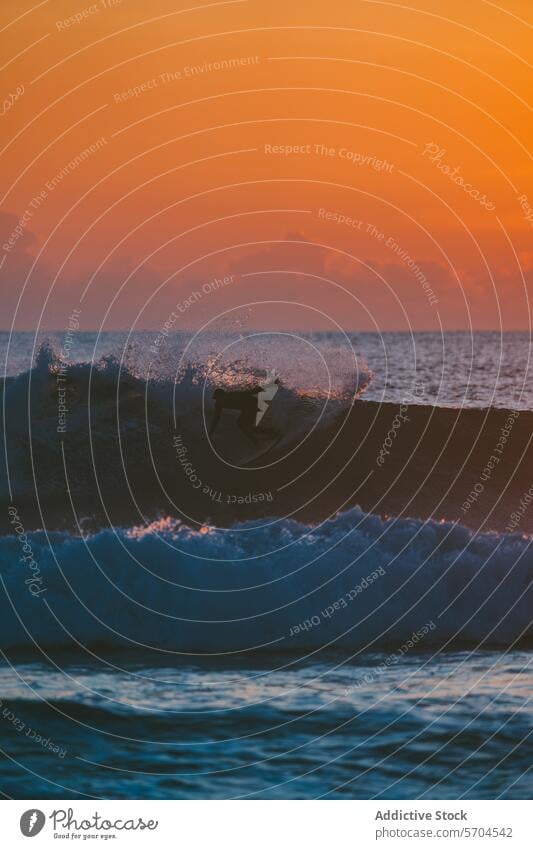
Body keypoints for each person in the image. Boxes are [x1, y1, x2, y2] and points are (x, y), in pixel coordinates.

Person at [209, 376, 280, 441]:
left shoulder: (232, 395)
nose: (220, 400)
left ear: (224, 395)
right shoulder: (219, 404)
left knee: (244, 425)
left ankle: (271, 433)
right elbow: (216, 418)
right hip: (247, 409)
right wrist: (211, 432)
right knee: (243, 426)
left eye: (221, 397)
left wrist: (271, 383)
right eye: (218, 399)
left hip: (252, 404)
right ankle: (263, 436)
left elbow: (253, 391)